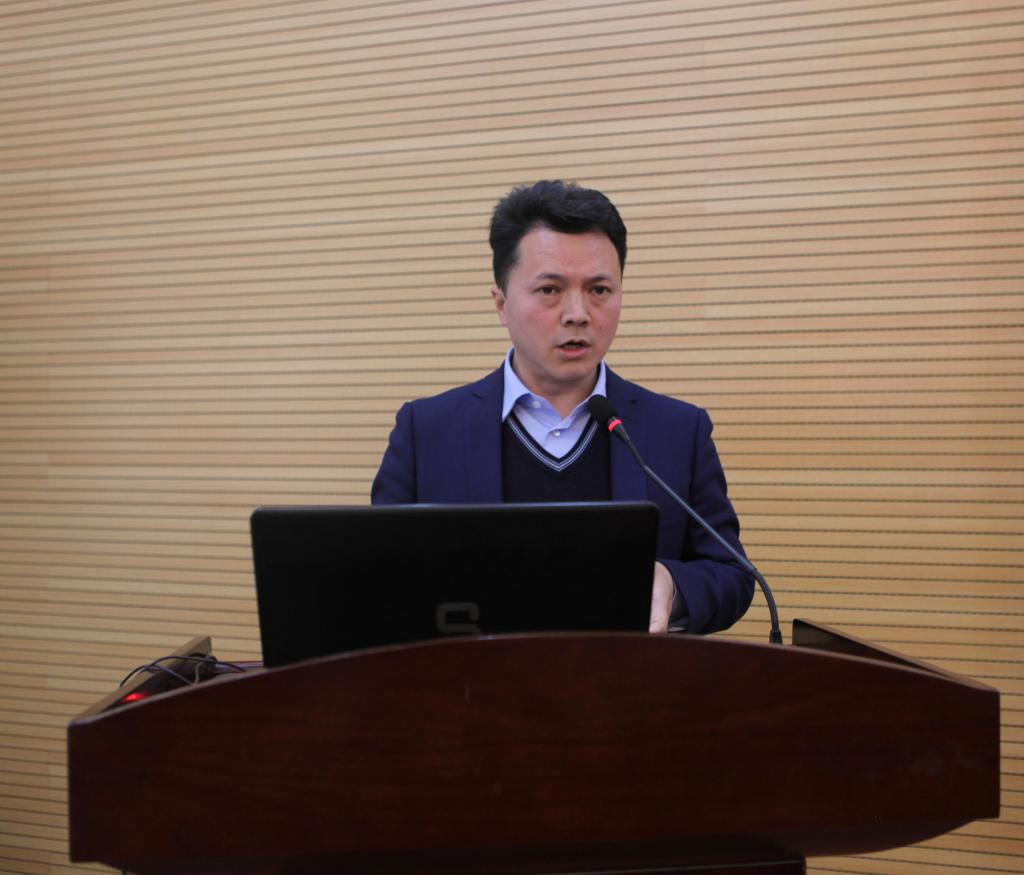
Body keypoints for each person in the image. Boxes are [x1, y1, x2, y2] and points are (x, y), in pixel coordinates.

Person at [371, 180, 753, 634]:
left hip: (625, 677)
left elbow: (731, 574)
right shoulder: (426, 431)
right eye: (550, 289)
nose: (578, 313)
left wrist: (675, 586)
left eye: (599, 290)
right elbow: (378, 574)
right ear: (501, 304)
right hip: (473, 676)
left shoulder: (678, 429)